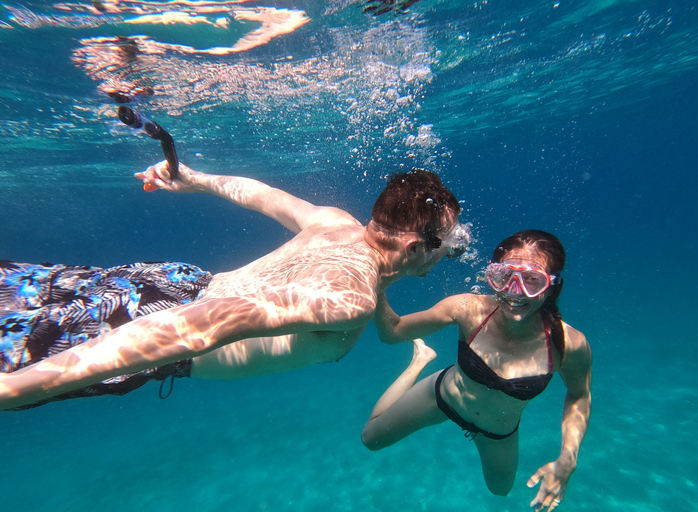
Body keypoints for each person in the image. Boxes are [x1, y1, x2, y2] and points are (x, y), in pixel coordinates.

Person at [0, 161, 471, 410]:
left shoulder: (338, 224)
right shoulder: (350, 299)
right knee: (11, 359)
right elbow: (198, 325)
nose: (452, 250)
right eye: (446, 243)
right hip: (155, 332)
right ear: (412, 248)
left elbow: (261, 195)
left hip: (172, 281)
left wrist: (193, 178)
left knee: (15, 288)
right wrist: (19, 388)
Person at [361, 230, 591, 512]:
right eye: (504, 276)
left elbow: (579, 395)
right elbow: (393, 331)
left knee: (500, 490)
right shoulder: (469, 309)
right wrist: (373, 280)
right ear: (491, 276)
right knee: (370, 439)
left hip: (498, 432)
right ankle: (418, 362)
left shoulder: (568, 344)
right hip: (442, 397)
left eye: (532, 280)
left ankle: (421, 359)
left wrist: (568, 458)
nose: (514, 292)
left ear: (552, 286)